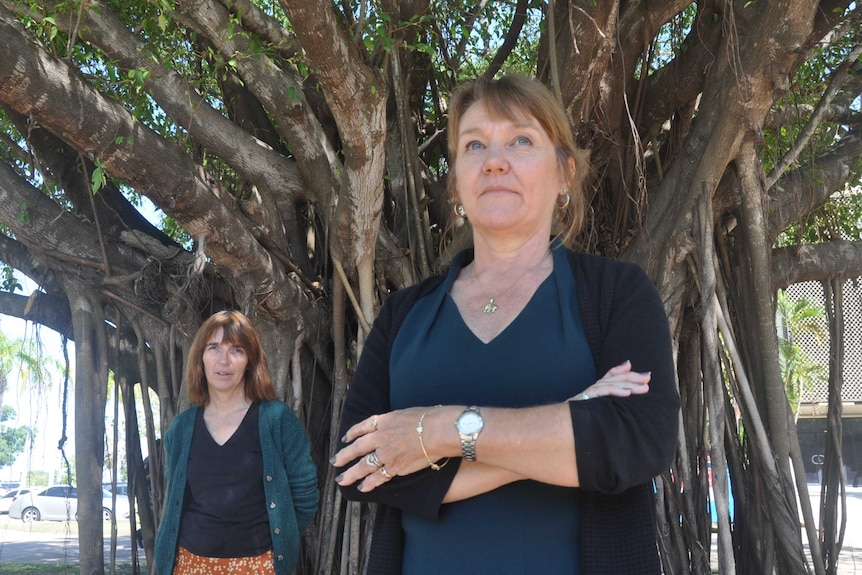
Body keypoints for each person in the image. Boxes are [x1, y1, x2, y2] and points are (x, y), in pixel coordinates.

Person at [332, 74, 680, 574]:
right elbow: (359, 469)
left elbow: (636, 443)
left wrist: (439, 432)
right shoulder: (403, 317)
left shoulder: (617, 295)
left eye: (521, 139)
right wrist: (571, 415)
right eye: (475, 145)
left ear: (565, 173)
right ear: (455, 182)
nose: (495, 160)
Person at [154, 310, 319, 575]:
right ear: (200, 358)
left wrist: (280, 537)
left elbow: (305, 494)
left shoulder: (277, 420)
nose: (224, 360)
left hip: (259, 566)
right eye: (214, 348)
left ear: (250, 361)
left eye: (237, 350)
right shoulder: (182, 428)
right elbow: (176, 498)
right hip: (189, 565)